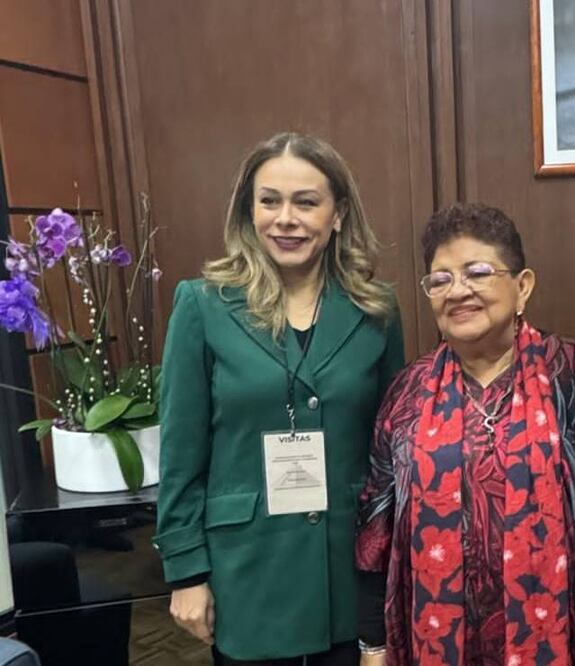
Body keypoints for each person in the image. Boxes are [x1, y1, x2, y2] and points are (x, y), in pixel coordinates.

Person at [153, 132, 404, 665]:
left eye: (305, 202)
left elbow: (391, 453)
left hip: (349, 573)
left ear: (337, 215)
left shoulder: (376, 309)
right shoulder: (203, 305)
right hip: (248, 574)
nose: (285, 218)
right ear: (250, 212)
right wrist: (186, 571)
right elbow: (180, 452)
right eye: (269, 201)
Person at [354, 203, 575, 665]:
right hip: (437, 641)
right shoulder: (407, 393)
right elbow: (375, 527)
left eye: (477, 272)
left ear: (522, 286)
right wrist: (372, 643)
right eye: (440, 279)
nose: (458, 291)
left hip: (564, 636)